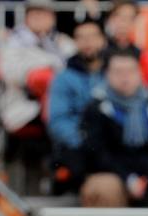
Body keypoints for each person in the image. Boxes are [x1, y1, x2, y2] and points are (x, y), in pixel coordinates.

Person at [79, 49, 148, 207]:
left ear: (140, 73)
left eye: (131, 71)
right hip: (112, 173)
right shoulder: (96, 108)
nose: (125, 77)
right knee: (104, 189)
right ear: (107, 74)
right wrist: (129, 179)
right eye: (118, 71)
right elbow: (97, 154)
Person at [47, 17, 107, 191]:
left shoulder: (116, 71)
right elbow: (58, 121)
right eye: (81, 37)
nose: (87, 42)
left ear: (103, 39)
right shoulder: (63, 78)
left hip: (113, 145)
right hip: (80, 146)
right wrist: (86, 143)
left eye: (92, 36)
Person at [0, 0, 75, 132]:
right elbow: (9, 73)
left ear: (53, 18)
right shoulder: (13, 41)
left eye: (44, 14)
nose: (39, 18)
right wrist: (49, 63)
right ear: (26, 18)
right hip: (26, 104)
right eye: (35, 13)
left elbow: (75, 69)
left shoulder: (63, 42)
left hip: (65, 101)